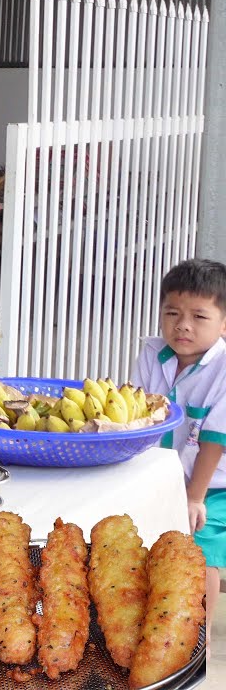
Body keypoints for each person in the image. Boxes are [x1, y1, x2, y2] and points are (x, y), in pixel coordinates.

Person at [132, 258, 226, 638]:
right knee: (144, 546)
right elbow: (140, 414)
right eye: (172, 312)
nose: (182, 324)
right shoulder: (152, 354)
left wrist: (194, 498)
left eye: (199, 317)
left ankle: (196, 641)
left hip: (212, 485)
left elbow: (214, 440)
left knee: (200, 555)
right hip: (159, 474)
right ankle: (148, 626)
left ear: (224, 323)